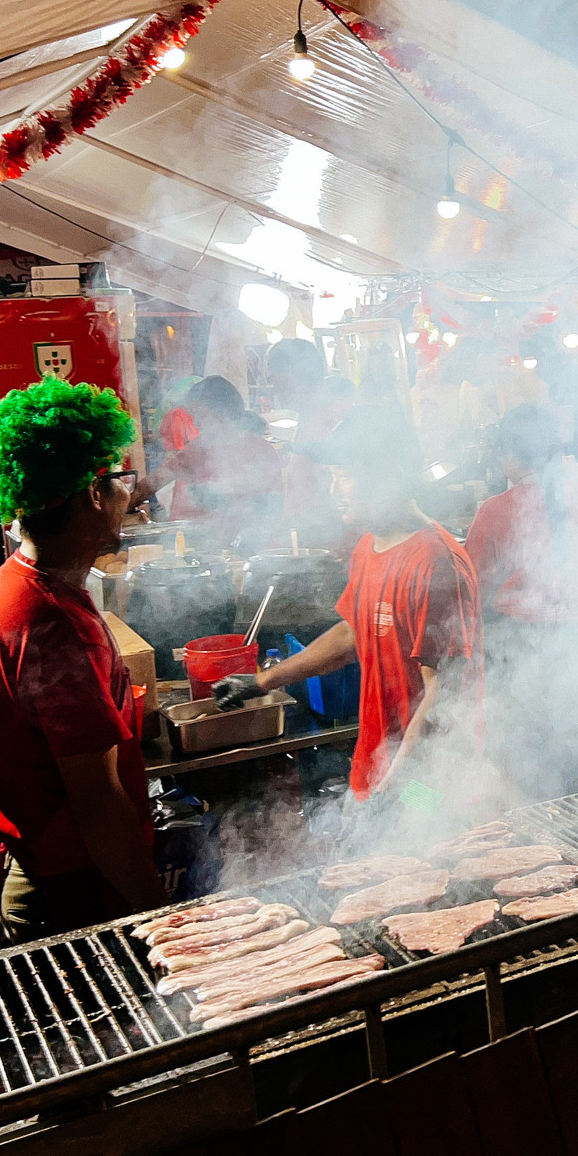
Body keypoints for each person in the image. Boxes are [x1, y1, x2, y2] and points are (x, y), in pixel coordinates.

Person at [0, 378, 165, 941]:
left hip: (48, 868)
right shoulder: (51, 624)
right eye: (122, 480)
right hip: (78, 886)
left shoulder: (10, 587)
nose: (134, 494)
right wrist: (162, 917)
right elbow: (97, 807)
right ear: (93, 495)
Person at [214, 406, 484, 834]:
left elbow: (444, 695)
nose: (334, 488)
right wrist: (261, 682)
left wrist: (396, 792)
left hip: (428, 783)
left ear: (389, 474)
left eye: (346, 473)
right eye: (333, 473)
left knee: (426, 873)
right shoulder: (368, 547)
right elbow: (352, 633)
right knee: (372, 884)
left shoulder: (436, 563)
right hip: (377, 772)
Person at [465, 406, 578, 800]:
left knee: (528, 749)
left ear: (511, 455)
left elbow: (471, 589)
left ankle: (539, 818)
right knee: (577, 739)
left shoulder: (495, 509)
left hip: (522, 643)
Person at [130, 377, 282, 551]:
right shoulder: (199, 449)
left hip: (247, 549)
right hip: (196, 548)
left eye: (201, 415)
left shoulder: (261, 450)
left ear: (223, 414)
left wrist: (220, 498)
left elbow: (272, 506)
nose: (195, 423)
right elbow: (154, 482)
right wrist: (122, 506)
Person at [265, 339, 355, 547]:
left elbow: (340, 499)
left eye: (274, 380)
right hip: (306, 548)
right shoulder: (308, 419)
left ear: (292, 378)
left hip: (330, 553)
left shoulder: (337, 419)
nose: (274, 388)